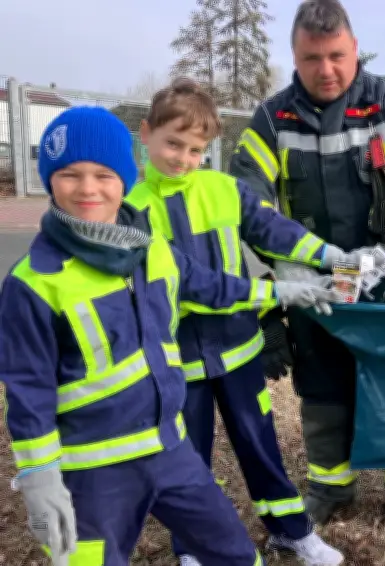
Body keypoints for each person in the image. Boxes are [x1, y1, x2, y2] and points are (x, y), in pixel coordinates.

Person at [0, 107, 341, 566]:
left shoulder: (149, 247)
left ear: (122, 178)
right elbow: (28, 389)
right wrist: (40, 475)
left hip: (169, 448)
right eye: (68, 174)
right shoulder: (34, 283)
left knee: (236, 552)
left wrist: (283, 289)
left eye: (103, 174)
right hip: (93, 472)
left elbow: (214, 284)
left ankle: (287, 532)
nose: (87, 188)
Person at [228, 0, 385, 548]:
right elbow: (241, 206)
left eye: (337, 55)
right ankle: (332, 486)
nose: (326, 69)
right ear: (295, 56)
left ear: (354, 49)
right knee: (322, 387)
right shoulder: (270, 120)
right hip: (317, 287)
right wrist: (271, 299)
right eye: (312, 58)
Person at [127, 78, 385, 566]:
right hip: (177, 361)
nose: (183, 158)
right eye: (172, 143)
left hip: (240, 352)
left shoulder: (224, 189)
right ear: (145, 134)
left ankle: (291, 531)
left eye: (195, 149)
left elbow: (277, 232)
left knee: (261, 448)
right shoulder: (133, 210)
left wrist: (336, 257)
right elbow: (192, 286)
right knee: (190, 463)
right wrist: (276, 291)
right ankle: (195, 548)